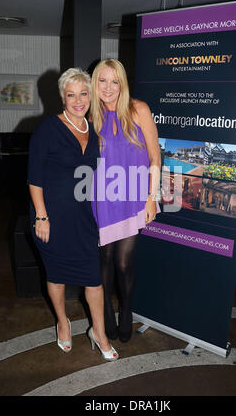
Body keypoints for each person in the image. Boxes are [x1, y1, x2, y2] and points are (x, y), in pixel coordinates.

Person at [27, 68, 118, 361]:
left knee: (94, 279)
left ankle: (98, 332)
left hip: (83, 216)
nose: (78, 100)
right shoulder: (48, 129)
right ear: (62, 97)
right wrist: (41, 216)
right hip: (51, 216)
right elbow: (34, 178)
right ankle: (63, 322)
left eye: (83, 94)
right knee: (56, 275)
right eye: (71, 95)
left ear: (90, 96)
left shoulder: (94, 131)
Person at [90, 59, 160, 342]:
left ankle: (126, 311)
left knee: (123, 262)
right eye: (102, 81)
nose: (108, 88)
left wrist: (151, 198)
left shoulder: (138, 110)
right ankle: (105, 314)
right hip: (101, 199)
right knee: (104, 259)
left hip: (133, 198)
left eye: (114, 81)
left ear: (122, 83)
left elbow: (155, 157)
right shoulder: (90, 116)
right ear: (94, 84)